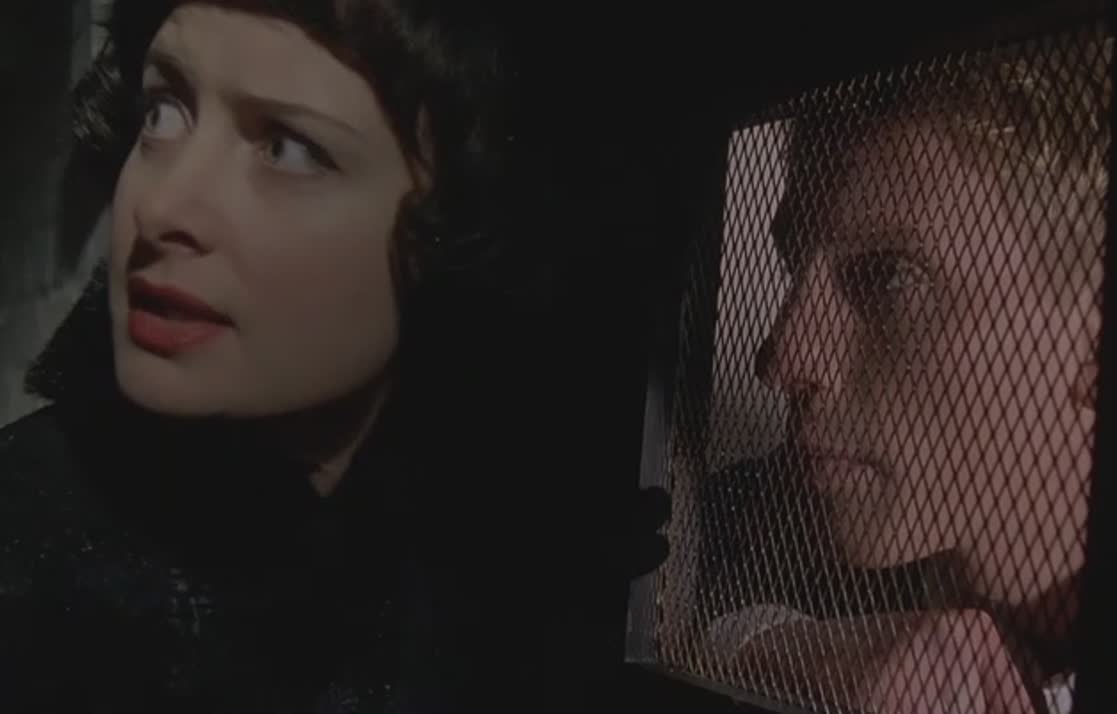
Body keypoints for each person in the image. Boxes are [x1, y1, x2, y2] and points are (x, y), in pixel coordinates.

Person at [0, 2, 668, 712]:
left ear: (460, 222)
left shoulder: (493, 579)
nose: (163, 209)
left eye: (289, 149)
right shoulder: (33, 574)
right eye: (163, 112)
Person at [694, 33, 1110, 714]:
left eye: (890, 278)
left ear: (1103, 344)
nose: (783, 359)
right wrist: (771, 644)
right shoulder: (766, 518)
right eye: (793, 265)